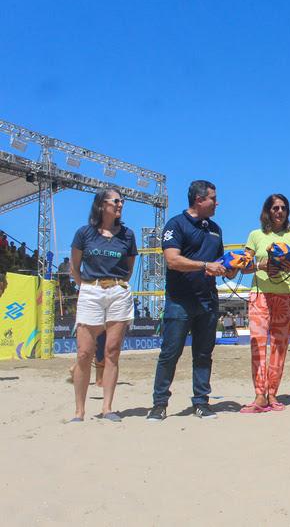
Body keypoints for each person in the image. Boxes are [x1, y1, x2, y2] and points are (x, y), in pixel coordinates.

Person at [147, 180, 232, 422]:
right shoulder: (176, 224)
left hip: (208, 300)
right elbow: (172, 260)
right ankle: (159, 404)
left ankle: (202, 403)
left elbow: (220, 264)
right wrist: (206, 265)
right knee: (170, 353)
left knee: (204, 354)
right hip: (179, 301)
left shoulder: (215, 229)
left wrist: (232, 268)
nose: (217, 202)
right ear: (199, 199)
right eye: (213, 198)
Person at [68, 188, 137, 422]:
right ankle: (79, 411)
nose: (120, 205)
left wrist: (116, 286)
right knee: (84, 353)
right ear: (102, 204)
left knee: (112, 352)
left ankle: (107, 408)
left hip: (118, 291)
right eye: (116, 201)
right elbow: (74, 267)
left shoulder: (128, 235)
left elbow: (129, 268)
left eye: (122, 202)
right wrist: (88, 287)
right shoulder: (84, 233)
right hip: (91, 290)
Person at [240, 193, 290, 413]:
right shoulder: (255, 235)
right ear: (267, 211)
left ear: (288, 212)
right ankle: (260, 394)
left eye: (283, 208)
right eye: (275, 208)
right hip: (260, 295)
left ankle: (273, 393)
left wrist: (289, 266)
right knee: (257, 344)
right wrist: (262, 264)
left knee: (279, 346)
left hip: (285, 296)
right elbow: (244, 266)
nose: (279, 212)